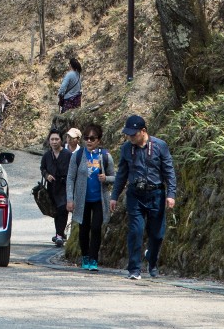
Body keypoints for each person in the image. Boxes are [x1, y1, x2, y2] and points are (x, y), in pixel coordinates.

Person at [110, 114, 177, 280]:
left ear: (143, 131)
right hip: (135, 194)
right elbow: (121, 174)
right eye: (128, 134)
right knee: (136, 231)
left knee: (157, 234)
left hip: (156, 193)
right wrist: (114, 196)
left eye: (133, 134)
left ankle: (152, 260)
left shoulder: (160, 146)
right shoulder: (126, 148)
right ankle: (134, 269)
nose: (130, 137)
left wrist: (171, 194)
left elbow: (169, 172)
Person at [67, 123, 113, 271]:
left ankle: (94, 259)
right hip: (82, 199)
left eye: (92, 138)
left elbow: (116, 177)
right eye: (86, 138)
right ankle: (85, 256)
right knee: (83, 228)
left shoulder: (105, 156)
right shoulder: (78, 155)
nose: (89, 141)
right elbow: (70, 178)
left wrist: (106, 178)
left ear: (98, 140)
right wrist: (70, 198)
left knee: (96, 228)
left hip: (99, 199)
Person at [41, 127, 72, 247]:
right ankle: (59, 233)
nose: (54, 141)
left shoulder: (67, 154)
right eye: (52, 139)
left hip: (64, 186)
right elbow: (42, 168)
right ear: (49, 141)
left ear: (61, 140)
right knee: (56, 211)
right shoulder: (47, 155)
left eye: (56, 139)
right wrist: (47, 175)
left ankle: (59, 235)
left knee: (62, 209)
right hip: (52, 187)